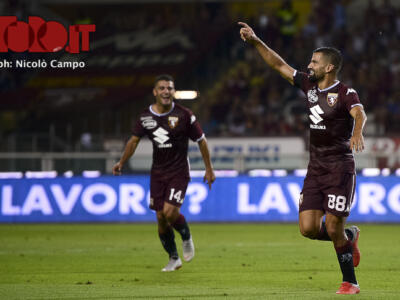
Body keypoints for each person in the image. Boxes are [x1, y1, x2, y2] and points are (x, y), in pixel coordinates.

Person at [238, 22, 367, 294]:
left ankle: (350, 282)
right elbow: (279, 65)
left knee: (332, 226)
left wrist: (357, 133)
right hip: (316, 169)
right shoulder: (308, 84)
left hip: (340, 169)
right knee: (308, 228)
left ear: (329, 68)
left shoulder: (345, 93)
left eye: (315, 61)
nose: (310, 65)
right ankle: (349, 237)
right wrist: (256, 41)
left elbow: (359, 113)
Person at [113, 74, 215, 272]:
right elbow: (133, 141)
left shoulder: (185, 115)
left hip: (179, 171)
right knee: (160, 218)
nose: (166, 92)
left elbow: (202, 140)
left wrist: (209, 169)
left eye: (169, 88)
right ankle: (173, 258)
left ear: (173, 91)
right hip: (158, 173)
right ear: (155, 92)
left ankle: (186, 236)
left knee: (169, 212)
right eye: (162, 88)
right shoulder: (145, 117)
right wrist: (121, 162)